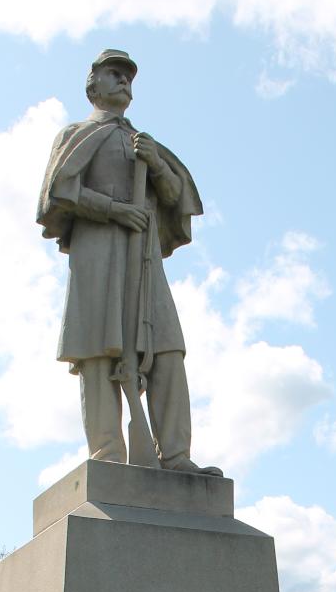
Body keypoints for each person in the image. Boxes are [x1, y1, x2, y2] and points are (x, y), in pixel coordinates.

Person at [37, 49, 220, 474]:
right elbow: (59, 193)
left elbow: (176, 197)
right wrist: (114, 210)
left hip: (143, 257)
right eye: (114, 73)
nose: (123, 81)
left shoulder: (145, 142)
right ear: (93, 83)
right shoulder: (75, 135)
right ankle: (108, 455)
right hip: (98, 251)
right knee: (99, 352)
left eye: (128, 77)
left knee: (167, 349)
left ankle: (175, 456)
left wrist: (156, 165)